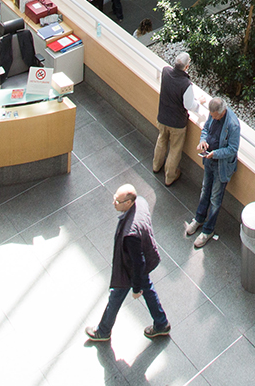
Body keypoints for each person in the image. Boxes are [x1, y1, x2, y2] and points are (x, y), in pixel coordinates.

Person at [84, 185, 171, 342]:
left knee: (116, 296)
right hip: (144, 257)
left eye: (117, 201)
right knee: (147, 289)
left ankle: (103, 331)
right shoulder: (141, 202)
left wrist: (136, 288)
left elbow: (138, 263)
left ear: (129, 202)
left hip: (129, 268)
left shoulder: (130, 234)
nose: (114, 203)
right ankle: (161, 323)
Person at [185, 97, 240, 249]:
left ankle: (208, 230)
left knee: (215, 198)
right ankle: (199, 218)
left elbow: (232, 149)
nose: (213, 118)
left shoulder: (233, 125)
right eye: (212, 115)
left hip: (221, 166)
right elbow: (206, 129)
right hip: (209, 162)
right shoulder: (212, 115)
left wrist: (215, 154)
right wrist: (203, 141)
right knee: (205, 191)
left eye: (215, 116)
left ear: (222, 112)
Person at [153, 52, 204, 186]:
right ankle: (170, 176)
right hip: (177, 123)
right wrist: (199, 102)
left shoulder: (165, 72)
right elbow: (189, 105)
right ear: (186, 67)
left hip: (162, 117)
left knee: (161, 140)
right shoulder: (186, 84)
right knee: (175, 149)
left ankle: (156, 165)